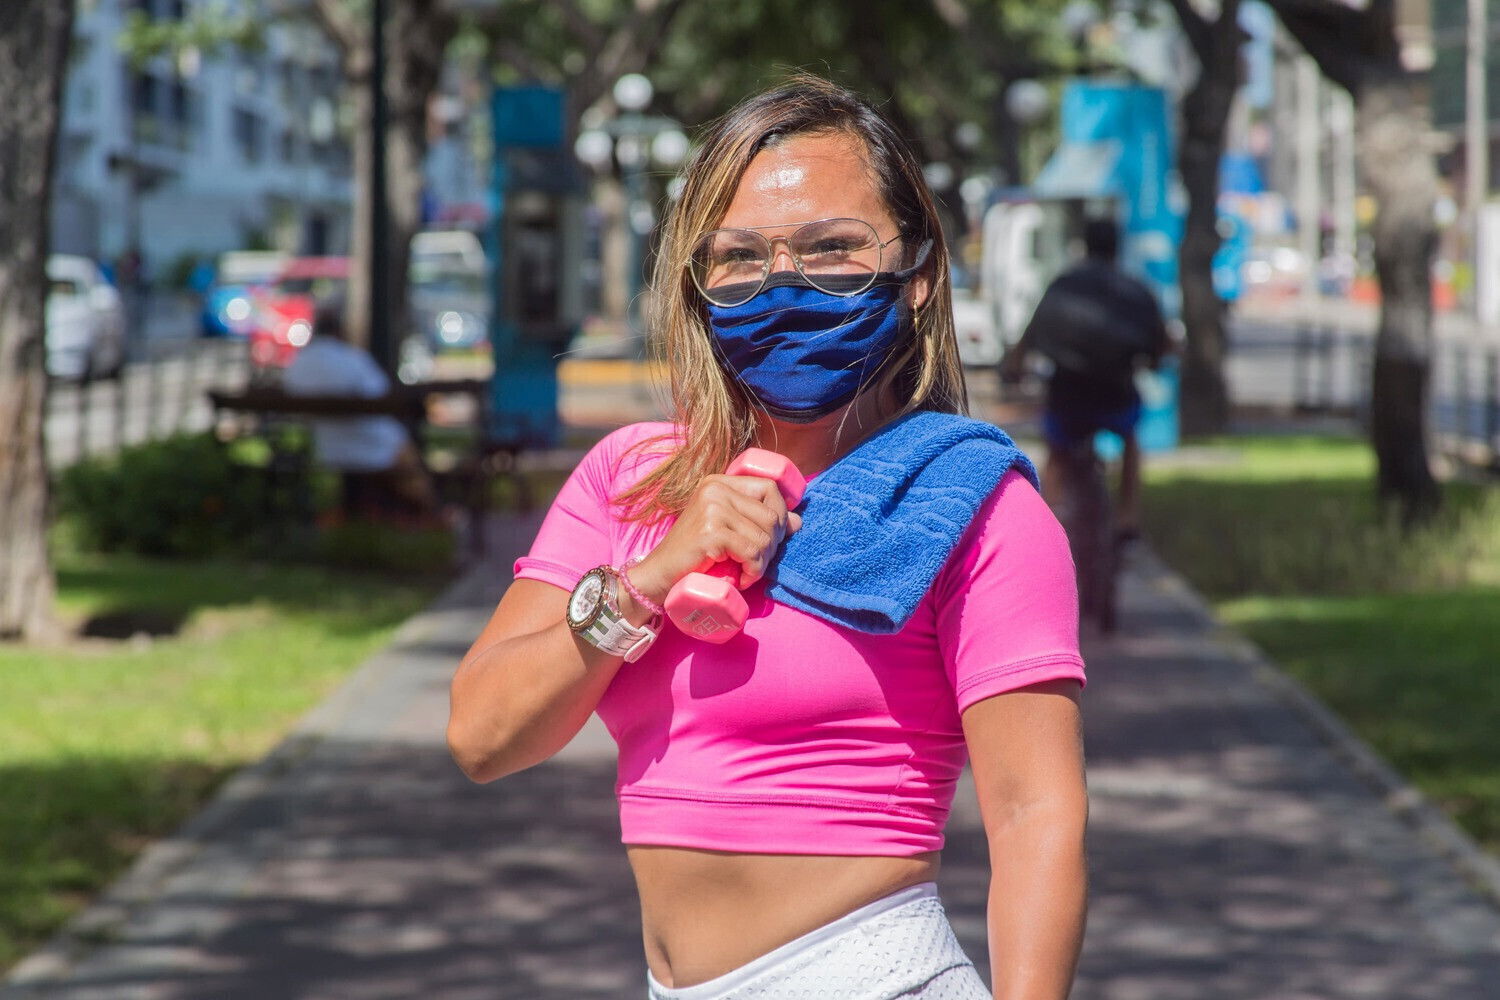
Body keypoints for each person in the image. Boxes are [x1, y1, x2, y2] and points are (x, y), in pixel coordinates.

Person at [448, 75, 1087, 1000]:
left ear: (917, 277)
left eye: (834, 249)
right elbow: (482, 736)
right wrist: (647, 580)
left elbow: (1036, 814)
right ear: (698, 286)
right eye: (739, 258)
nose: (783, 285)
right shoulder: (632, 477)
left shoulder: (969, 501)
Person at [998, 218, 1171, 539]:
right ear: (1117, 247)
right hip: (1116, 390)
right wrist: (1153, 363)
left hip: (1068, 390)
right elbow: (1159, 344)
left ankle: (1046, 518)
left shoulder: (1063, 284)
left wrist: (1014, 368)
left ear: (1085, 245)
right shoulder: (1136, 289)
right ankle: (1128, 515)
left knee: (1057, 453)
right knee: (1130, 442)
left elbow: (1030, 335)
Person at [282, 298, 438, 522]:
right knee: (406, 456)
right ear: (340, 330)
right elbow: (379, 392)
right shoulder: (351, 359)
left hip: (325, 447)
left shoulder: (299, 363)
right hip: (369, 446)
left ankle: (382, 516)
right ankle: (430, 517)